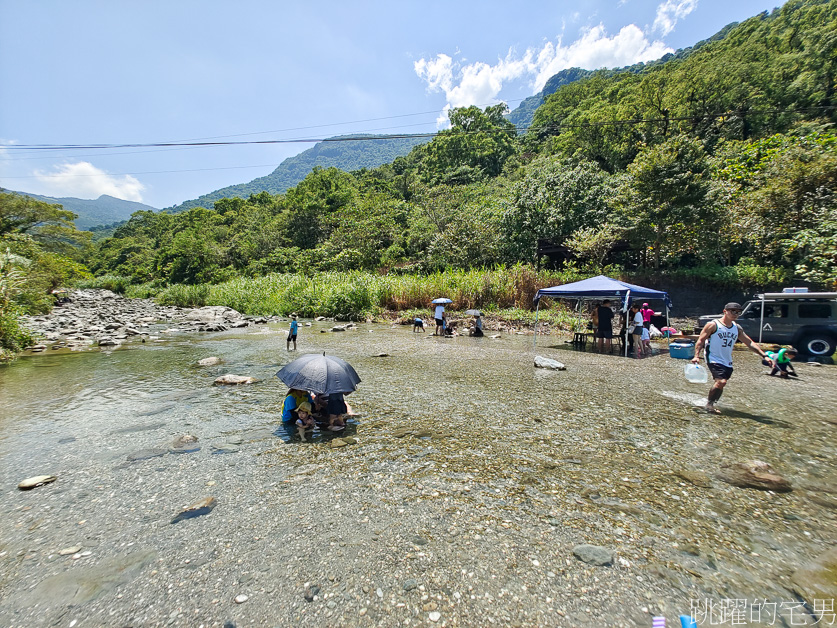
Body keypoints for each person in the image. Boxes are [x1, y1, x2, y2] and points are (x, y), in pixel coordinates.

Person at [691, 302, 770, 414]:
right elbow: (701, 340)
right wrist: (696, 355)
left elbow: (749, 343)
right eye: (732, 311)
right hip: (713, 357)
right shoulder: (713, 325)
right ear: (725, 311)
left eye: (738, 312)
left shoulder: (737, 328)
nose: (735, 314)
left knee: (722, 383)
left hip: (727, 360)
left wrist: (764, 355)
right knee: (721, 382)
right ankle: (709, 405)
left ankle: (712, 402)